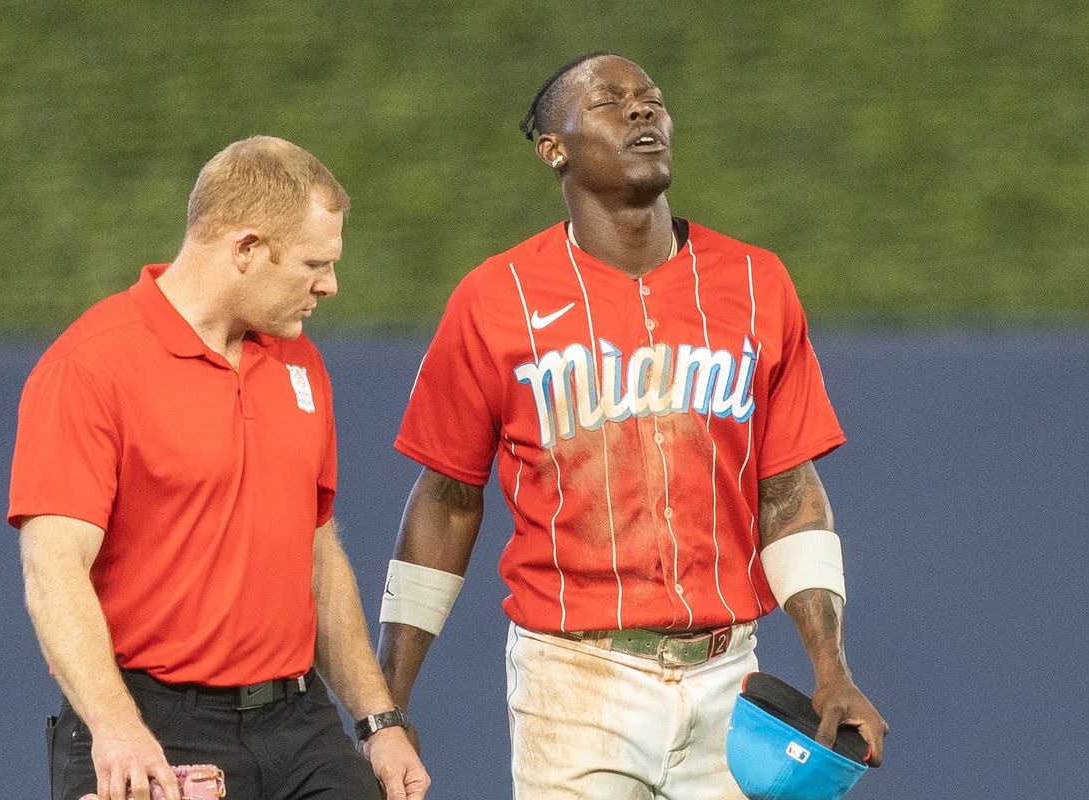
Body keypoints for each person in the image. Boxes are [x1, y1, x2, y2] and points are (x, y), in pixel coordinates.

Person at [377, 53, 888, 799]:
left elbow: (788, 496)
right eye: (612, 102)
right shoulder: (496, 299)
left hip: (728, 678)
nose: (643, 111)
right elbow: (446, 501)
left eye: (652, 99)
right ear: (554, 147)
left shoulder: (756, 282)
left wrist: (832, 668)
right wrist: (390, 701)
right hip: (573, 679)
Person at [8, 136, 429, 800]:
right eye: (314, 263)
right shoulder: (89, 367)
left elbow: (316, 553)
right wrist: (117, 727)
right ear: (245, 250)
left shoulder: (300, 363)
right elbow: (52, 570)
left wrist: (379, 721)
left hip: (300, 724)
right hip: (154, 722)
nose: (330, 285)